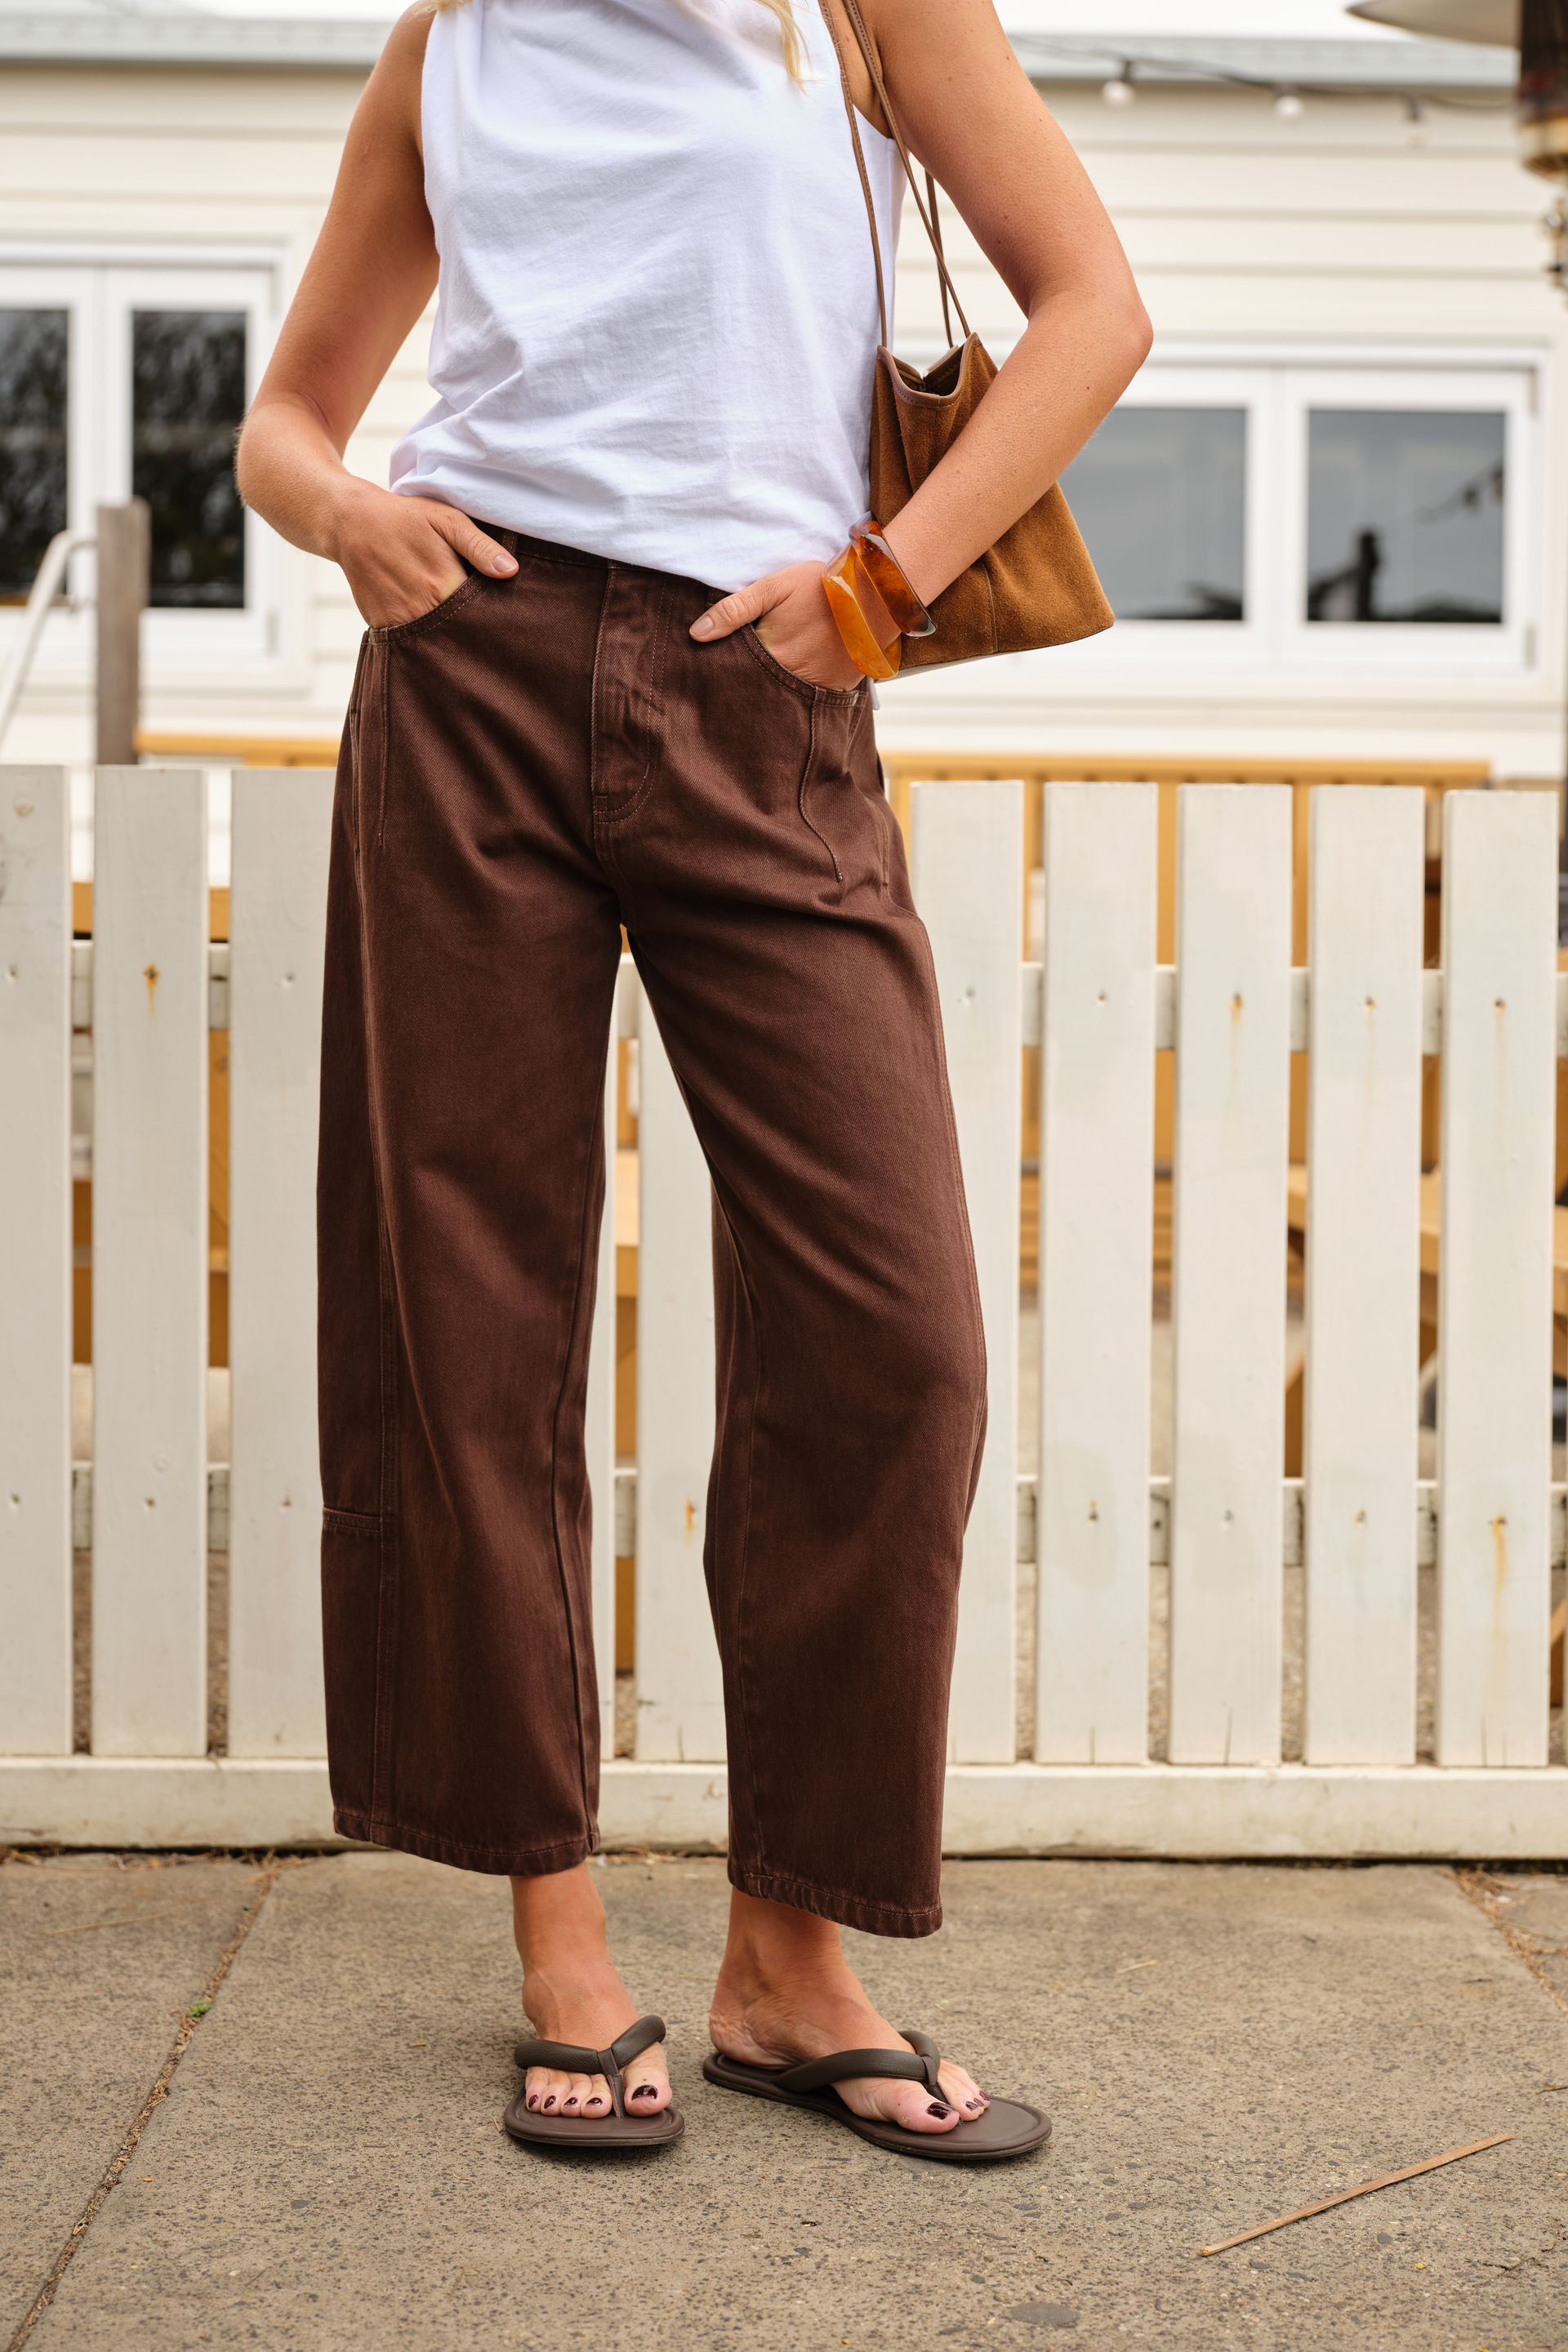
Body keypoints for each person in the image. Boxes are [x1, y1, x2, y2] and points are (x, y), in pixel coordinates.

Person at [237, 0, 1148, 2159]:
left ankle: (788, 1956)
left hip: (767, 681)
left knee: (895, 1332)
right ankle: (556, 1929)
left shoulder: (864, 12)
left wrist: (889, 586)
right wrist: (348, 518)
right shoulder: (450, 46)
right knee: (467, 1312)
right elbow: (285, 422)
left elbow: (1095, 312)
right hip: (469, 673)